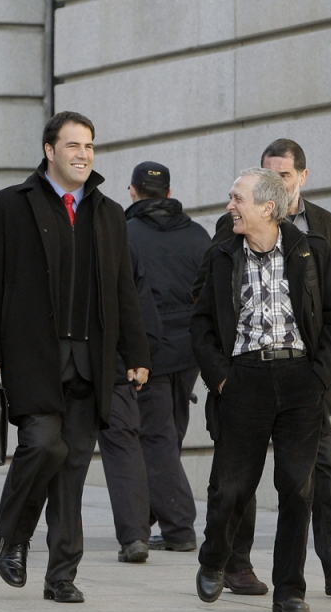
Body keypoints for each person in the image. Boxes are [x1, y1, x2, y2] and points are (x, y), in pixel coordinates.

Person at [0, 111, 150, 603]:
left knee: (72, 466)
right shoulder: (11, 205)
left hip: (91, 359)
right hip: (34, 355)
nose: (83, 154)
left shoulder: (109, 212)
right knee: (43, 444)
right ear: (49, 150)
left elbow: (122, 291)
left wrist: (136, 352)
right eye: (73, 145)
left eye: (89, 146)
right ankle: (13, 535)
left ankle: (61, 576)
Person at [194, 139, 331, 598]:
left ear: (267, 207)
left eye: (238, 198)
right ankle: (217, 560)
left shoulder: (312, 246)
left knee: (299, 487)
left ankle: (290, 590)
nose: (229, 205)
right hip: (243, 379)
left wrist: (321, 374)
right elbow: (200, 321)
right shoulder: (221, 251)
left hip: (300, 380)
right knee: (233, 487)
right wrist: (221, 377)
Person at [0, 246, 162, 565]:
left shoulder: (106, 237)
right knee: (99, 446)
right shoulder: (120, 244)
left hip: (90, 370)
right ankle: (134, 537)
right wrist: (139, 354)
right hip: (104, 369)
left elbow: (130, 300)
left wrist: (139, 355)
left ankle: (8, 530)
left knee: (42, 447)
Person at [124, 161, 210, 554]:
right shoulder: (197, 235)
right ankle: (146, 518)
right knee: (169, 433)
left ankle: (178, 528)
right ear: (170, 194)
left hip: (149, 350)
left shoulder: (126, 235)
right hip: (190, 351)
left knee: (156, 437)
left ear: (132, 192)